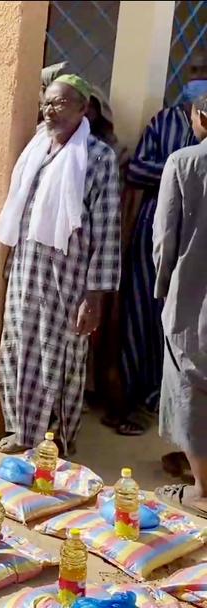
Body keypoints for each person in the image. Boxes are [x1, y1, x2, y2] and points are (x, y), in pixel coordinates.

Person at [0, 75, 121, 455]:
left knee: (59, 358)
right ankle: (21, 431)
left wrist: (94, 297)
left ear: (84, 109)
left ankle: (55, 442)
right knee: (17, 350)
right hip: (26, 272)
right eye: (47, 103)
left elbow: (108, 232)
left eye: (61, 103)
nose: (51, 110)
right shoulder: (36, 148)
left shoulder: (98, 157)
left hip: (67, 280)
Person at [114, 57, 205, 436]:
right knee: (140, 314)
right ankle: (130, 400)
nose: (200, 79)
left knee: (184, 327)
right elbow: (135, 170)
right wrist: (176, 168)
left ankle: (163, 403)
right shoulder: (163, 122)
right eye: (196, 73)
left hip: (196, 244)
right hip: (155, 233)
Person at [152, 92, 207, 518]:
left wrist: (162, 287)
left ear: (200, 117)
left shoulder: (184, 163)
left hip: (192, 296)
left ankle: (201, 492)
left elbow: (164, 239)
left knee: (190, 387)